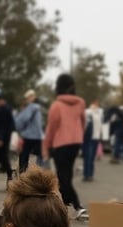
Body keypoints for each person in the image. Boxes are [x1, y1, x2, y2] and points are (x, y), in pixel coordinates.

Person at [42, 73, 87, 219]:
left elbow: (51, 128)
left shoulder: (56, 105)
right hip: (75, 143)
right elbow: (83, 122)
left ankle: (78, 206)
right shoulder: (80, 103)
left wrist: (46, 147)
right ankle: (65, 205)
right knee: (66, 175)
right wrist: (79, 134)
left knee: (63, 177)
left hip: (61, 144)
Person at [15, 89, 45, 173]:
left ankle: (23, 175)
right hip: (38, 136)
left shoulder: (31, 107)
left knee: (24, 156)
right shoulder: (38, 108)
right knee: (41, 156)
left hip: (28, 136)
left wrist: (18, 127)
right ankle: (40, 173)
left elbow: (24, 119)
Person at [82, 99, 103, 181]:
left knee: (92, 157)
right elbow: (84, 124)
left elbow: (101, 125)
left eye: (97, 103)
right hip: (88, 137)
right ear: (92, 103)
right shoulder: (87, 112)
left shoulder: (99, 112)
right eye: (95, 103)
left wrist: (101, 135)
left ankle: (90, 174)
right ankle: (86, 175)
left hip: (96, 137)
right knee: (88, 156)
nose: (96, 104)